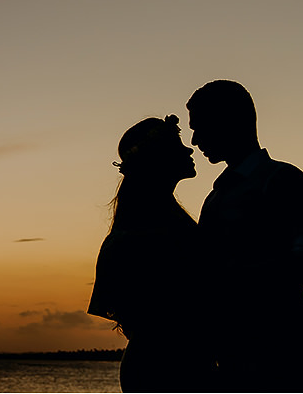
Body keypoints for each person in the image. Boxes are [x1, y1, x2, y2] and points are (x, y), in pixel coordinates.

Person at [187, 80, 303, 392]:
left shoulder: (283, 180)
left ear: (229, 122)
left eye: (200, 127)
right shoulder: (215, 196)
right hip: (232, 364)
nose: (195, 139)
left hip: (284, 363)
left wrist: (230, 279)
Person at [88, 115, 216, 392]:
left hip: (173, 363)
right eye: (178, 145)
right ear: (160, 159)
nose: (189, 149)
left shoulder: (157, 222)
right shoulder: (148, 232)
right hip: (167, 369)